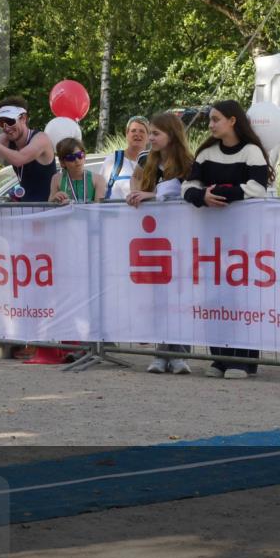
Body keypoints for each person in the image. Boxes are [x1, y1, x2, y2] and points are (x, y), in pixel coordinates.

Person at [182, 100, 273, 380]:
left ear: (233, 121)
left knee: (241, 297)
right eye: (210, 119)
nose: (210, 125)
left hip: (244, 238)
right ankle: (219, 357)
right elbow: (188, 185)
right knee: (214, 296)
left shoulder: (252, 151)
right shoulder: (206, 152)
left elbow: (257, 188)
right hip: (212, 238)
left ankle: (244, 360)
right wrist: (202, 197)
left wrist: (220, 193)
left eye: (216, 119)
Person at [126, 112, 194, 374]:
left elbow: (187, 195)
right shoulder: (146, 160)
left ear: (172, 135)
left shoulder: (188, 163)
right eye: (150, 133)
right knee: (159, 294)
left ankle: (179, 354)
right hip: (154, 237)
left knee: (180, 295)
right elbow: (137, 184)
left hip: (182, 236)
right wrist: (137, 195)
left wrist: (150, 195)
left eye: (155, 133)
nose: (150, 138)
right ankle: (160, 352)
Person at [0, 97, 56, 202]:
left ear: (23, 118)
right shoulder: (6, 139)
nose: (6, 127)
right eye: (1, 122)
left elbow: (19, 159)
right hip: (26, 208)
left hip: (49, 209)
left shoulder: (41, 138)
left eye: (10, 121)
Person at [101, 115, 150, 201]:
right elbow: (100, 193)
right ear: (127, 135)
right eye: (133, 131)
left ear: (148, 138)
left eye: (142, 131)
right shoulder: (113, 160)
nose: (137, 134)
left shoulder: (155, 162)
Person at [48, 138, 107, 204]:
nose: (77, 160)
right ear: (62, 163)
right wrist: (55, 200)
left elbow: (99, 209)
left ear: (84, 156)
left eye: (79, 155)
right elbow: (48, 207)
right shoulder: (56, 179)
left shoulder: (98, 179)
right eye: (71, 157)